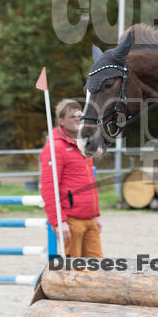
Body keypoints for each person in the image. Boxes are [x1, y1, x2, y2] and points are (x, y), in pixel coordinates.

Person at [40, 99, 103, 258]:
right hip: (71, 221)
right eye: (71, 116)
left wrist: (94, 215)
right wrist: (58, 221)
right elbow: (49, 188)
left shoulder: (84, 144)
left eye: (79, 115)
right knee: (72, 273)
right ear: (61, 121)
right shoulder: (55, 148)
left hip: (90, 220)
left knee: (99, 271)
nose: (77, 118)